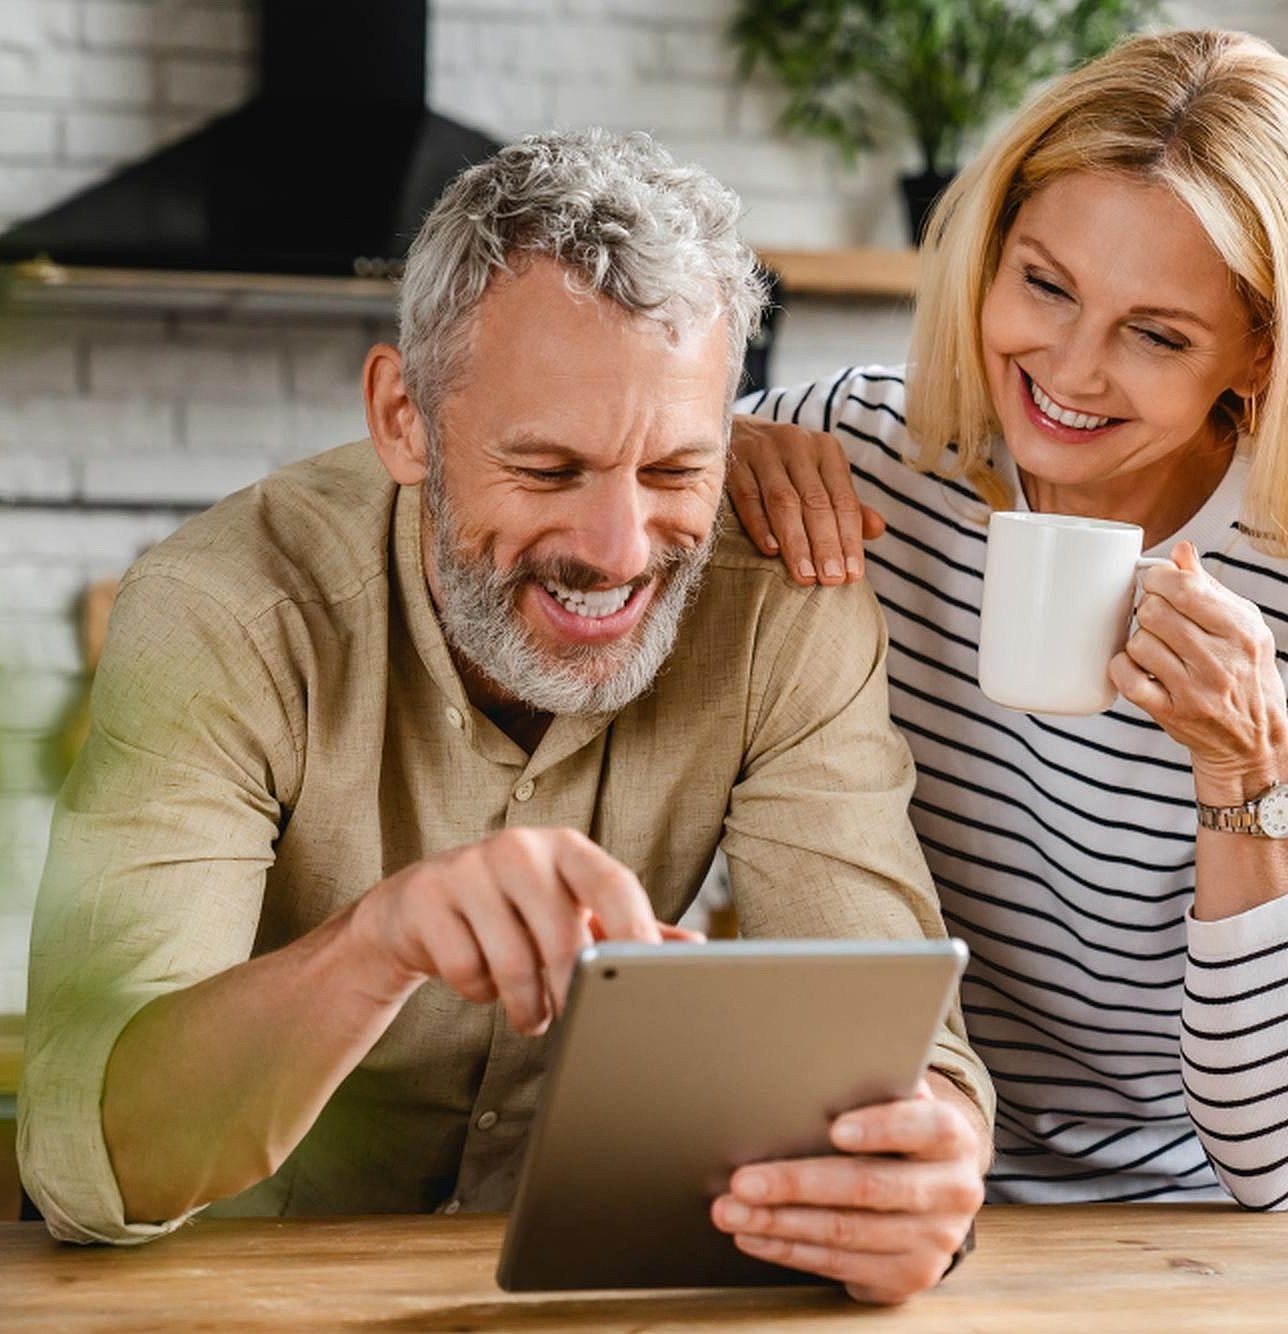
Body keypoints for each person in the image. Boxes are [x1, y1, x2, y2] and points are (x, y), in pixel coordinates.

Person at [19, 129, 992, 1304]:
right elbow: (85, 1158)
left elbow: (891, 1036)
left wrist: (924, 1169)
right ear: (404, 419)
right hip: (245, 1298)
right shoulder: (224, 609)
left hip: (595, 1298)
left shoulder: (785, 599)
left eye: (677, 469)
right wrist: (374, 943)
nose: (619, 549)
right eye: (546, 469)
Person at [730, 29, 1288, 1209]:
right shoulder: (865, 456)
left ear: (1262, 355)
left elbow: (1287, 1161)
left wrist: (1245, 762)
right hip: (888, 1177)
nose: (1070, 370)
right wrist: (708, 451)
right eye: (1044, 284)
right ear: (990, 255)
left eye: (1155, 333)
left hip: (1187, 1231)